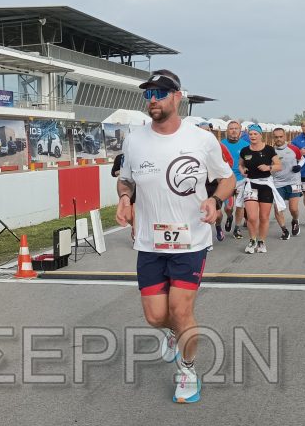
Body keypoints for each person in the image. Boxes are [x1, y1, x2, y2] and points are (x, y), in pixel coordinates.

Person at [116, 70, 235, 404]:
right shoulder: (135, 139)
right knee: (156, 316)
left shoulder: (201, 139)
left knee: (182, 311)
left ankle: (188, 370)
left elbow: (227, 179)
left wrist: (214, 199)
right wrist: (125, 198)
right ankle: (173, 334)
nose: (153, 99)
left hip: (191, 241)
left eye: (160, 92)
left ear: (177, 96)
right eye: (148, 94)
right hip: (150, 243)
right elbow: (125, 180)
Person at [237, 125, 282, 254]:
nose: (253, 136)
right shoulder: (245, 150)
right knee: (251, 217)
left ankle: (261, 241)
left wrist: (268, 167)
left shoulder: (269, 149)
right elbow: (240, 165)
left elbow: (279, 165)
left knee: (264, 216)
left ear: (260, 135)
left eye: (255, 134)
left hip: (266, 185)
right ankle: (252, 240)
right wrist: (242, 170)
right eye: (250, 134)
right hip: (251, 184)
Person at [270, 128, 304, 240]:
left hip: (294, 181)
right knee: (277, 208)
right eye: (276, 137)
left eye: (281, 136)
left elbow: (302, 159)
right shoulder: (270, 151)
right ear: (273, 138)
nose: (278, 139)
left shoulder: (293, 148)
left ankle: (295, 220)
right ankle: (284, 230)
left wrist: (299, 166)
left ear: (285, 137)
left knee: (293, 208)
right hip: (277, 183)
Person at [218, 120, 249, 240]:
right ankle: (229, 216)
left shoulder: (245, 146)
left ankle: (237, 227)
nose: (234, 131)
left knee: (240, 205)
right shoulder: (221, 145)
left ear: (240, 131)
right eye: (231, 128)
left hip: (241, 180)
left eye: (236, 128)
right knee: (228, 207)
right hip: (226, 180)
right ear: (227, 131)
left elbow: (249, 162)